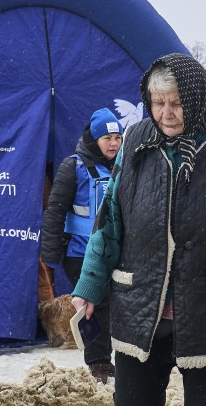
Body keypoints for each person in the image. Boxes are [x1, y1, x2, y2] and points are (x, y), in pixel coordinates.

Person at [71, 53, 206, 405]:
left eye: (177, 103)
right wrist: (90, 284)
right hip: (139, 309)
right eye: (157, 103)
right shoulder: (135, 141)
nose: (166, 113)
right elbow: (109, 222)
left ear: (196, 99)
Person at [40, 108, 123, 384]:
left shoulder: (126, 166)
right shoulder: (72, 167)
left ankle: (120, 358)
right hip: (80, 253)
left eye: (117, 137)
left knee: (118, 304)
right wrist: (50, 252)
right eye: (107, 138)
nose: (113, 143)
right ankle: (98, 363)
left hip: (116, 251)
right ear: (94, 139)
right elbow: (55, 210)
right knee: (93, 304)